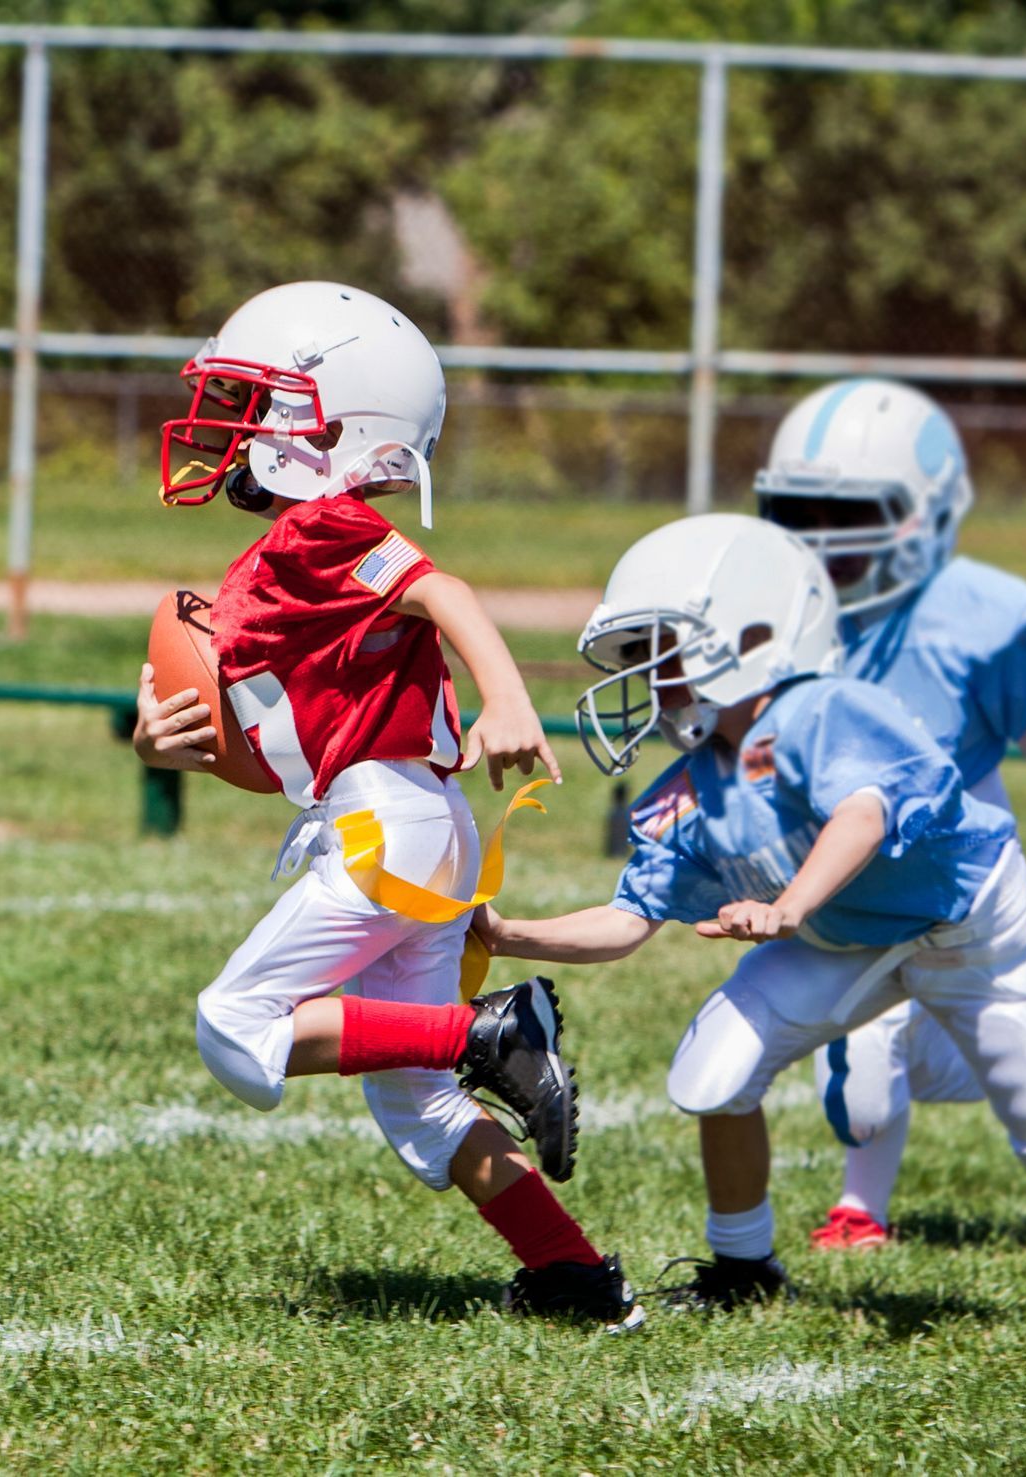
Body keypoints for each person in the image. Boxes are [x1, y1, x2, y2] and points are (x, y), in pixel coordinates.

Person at [480, 514, 1026, 1309]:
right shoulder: (691, 789)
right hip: (845, 939)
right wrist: (506, 932)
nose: (649, 682)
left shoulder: (822, 711)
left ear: (747, 635)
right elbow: (628, 919)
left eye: (661, 654)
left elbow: (864, 814)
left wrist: (788, 904)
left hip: (970, 925)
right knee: (711, 1071)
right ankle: (745, 1270)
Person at [135, 281, 644, 1330]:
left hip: (388, 824)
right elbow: (273, 741)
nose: (224, 425)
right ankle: (577, 1281)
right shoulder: (294, 547)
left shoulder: (324, 528)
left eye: (251, 399)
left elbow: (439, 589)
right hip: (410, 815)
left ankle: (490, 1032)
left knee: (236, 1023)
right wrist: (164, 738)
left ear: (329, 420)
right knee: (414, 1098)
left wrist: (506, 693)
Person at [753, 377, 1026, 1252]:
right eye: (800, 514)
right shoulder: (788, 617)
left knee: (962, 1057)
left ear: (919, 516)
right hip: (856, 882)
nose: (821, 544)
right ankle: (866, 1203)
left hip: (964, 882)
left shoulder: (966, 617)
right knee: (867, 1070)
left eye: (846, 516)